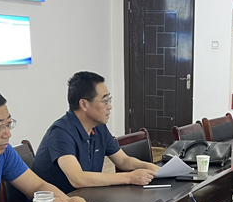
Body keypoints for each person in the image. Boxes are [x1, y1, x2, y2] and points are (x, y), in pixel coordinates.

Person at [32, 71, 160, 193]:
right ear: (84, 104)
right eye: (105, 101)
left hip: (87, 197)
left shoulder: (98, 127)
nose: (110, 106)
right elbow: (77, 178)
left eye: (109, 100)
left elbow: (123, 161)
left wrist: (150, 167)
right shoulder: (60, 132)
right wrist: (129, 177)